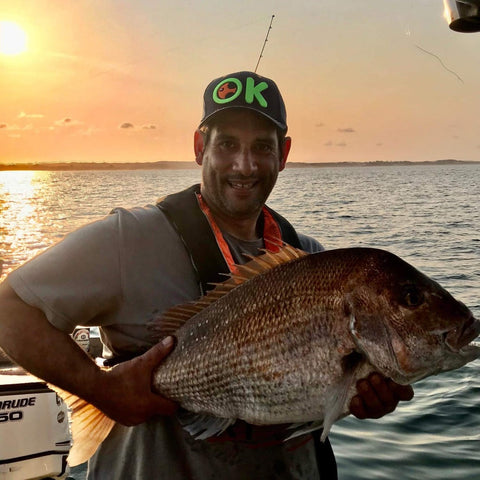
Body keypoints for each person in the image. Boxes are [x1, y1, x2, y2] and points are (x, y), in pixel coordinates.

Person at [0, 71, 413, 479]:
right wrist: (101, 389)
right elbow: (9, 309)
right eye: (227, 144)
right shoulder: (130, 240)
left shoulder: (310, 260)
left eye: (262, 147)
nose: (245, 164)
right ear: (200, 148)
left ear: (283, 154)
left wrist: (356, 398)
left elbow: (312, 391)